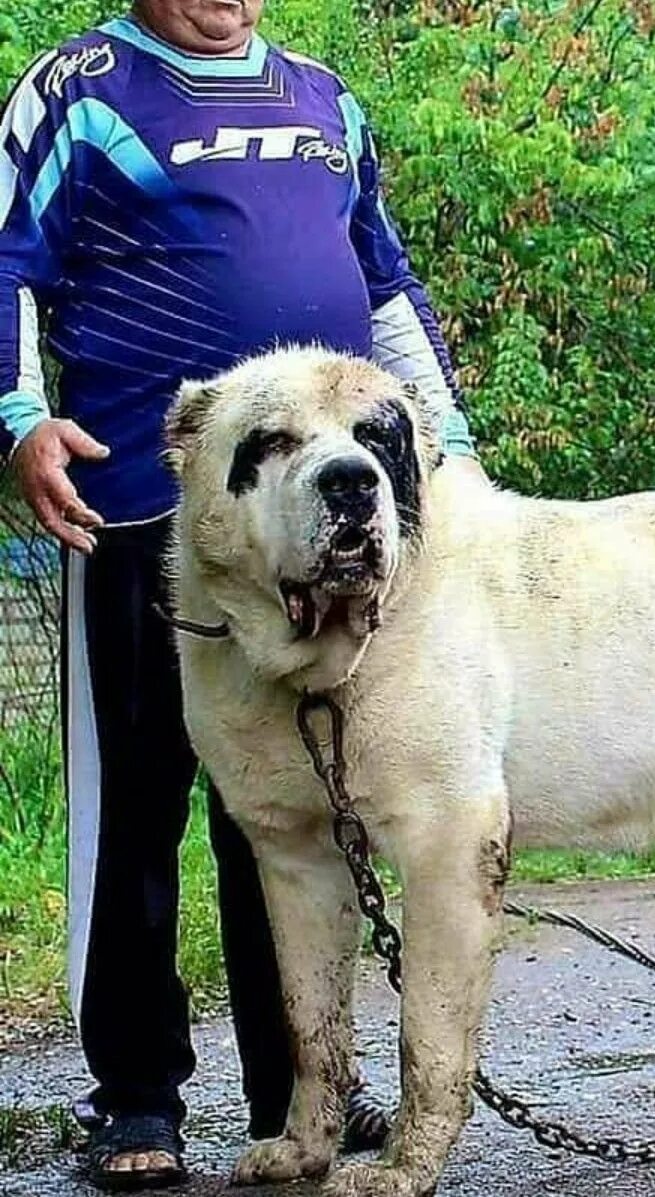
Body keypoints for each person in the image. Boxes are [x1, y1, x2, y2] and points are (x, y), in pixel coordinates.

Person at [0, 0, 476, 1188]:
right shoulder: (82, 85)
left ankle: (302, 1094)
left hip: (323, 527)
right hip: (145, 507)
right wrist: (17, 419)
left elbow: (384, 283)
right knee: (141, 797)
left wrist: (452, 450)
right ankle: (138, 1101)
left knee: (297, 805)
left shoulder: (323, 98)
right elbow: (2, 260)